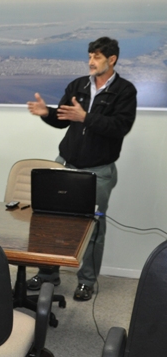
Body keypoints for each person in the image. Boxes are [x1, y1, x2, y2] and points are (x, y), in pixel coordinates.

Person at [26, 37, 137, 301]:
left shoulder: (124, 91)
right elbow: (63, 120)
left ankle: (86, 281)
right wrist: (46, 113)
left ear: (112, 60)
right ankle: (48, 273)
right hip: (65, 162)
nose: (91, 61)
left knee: (93, 227)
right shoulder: (78, 85)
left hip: (98, 170)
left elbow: (120, 127)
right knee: (50, 220)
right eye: (90, 55)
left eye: (97, 57)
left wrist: (86, 117)